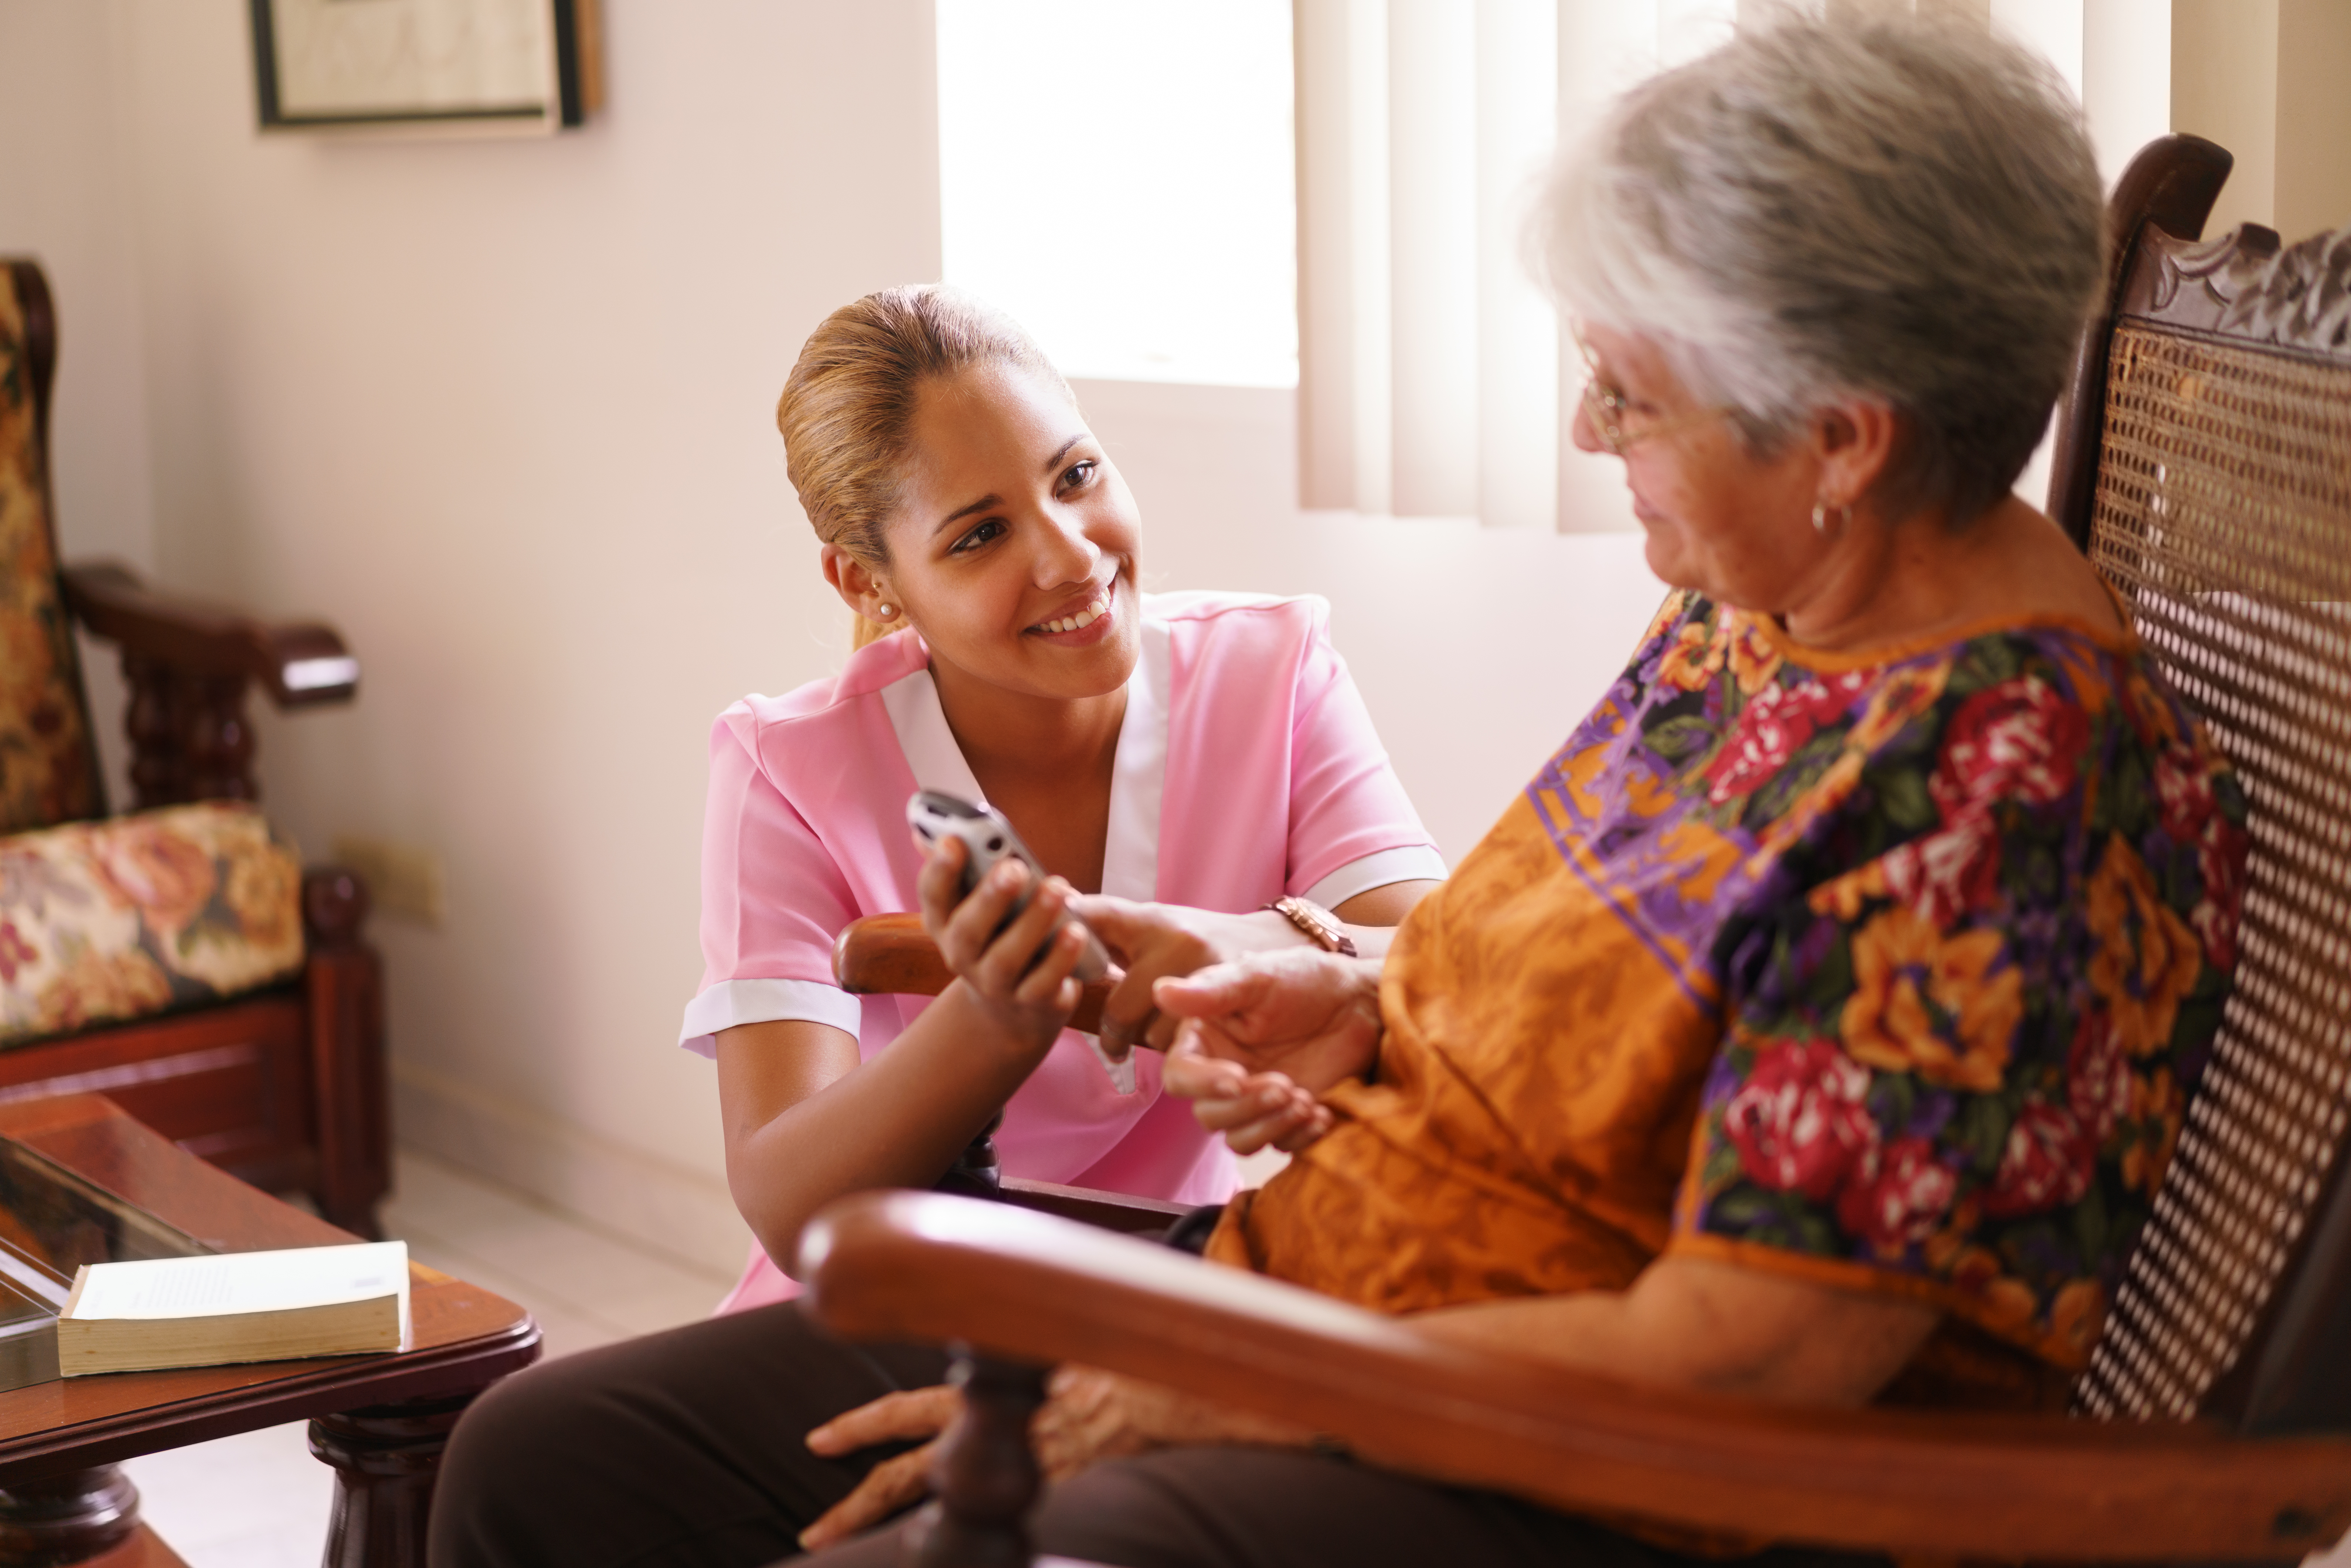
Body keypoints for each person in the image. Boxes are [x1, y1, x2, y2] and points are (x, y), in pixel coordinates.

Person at [430, 14, 2248, 1568]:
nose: (1584, 438)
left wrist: (1232, 1385)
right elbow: (1616, 998)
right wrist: (1356, 998)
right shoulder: (1774, 607)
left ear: (1841, 437)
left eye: (1627, 395)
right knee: (534, 1463)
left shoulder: (1989, 795)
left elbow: (1753, 1360)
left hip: (1566, 1477)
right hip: (1328, 1294)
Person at [688, 286, 1443, 1316]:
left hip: (1157, 1303)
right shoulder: (786, 767)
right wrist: (995, 1022)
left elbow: (1444, 969)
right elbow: (788, 1205)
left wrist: (1245, 939)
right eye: (980, 534)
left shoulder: (1276, 670)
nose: (1072, 555)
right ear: (870, 582)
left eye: (1075, 476)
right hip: (884, 1307)